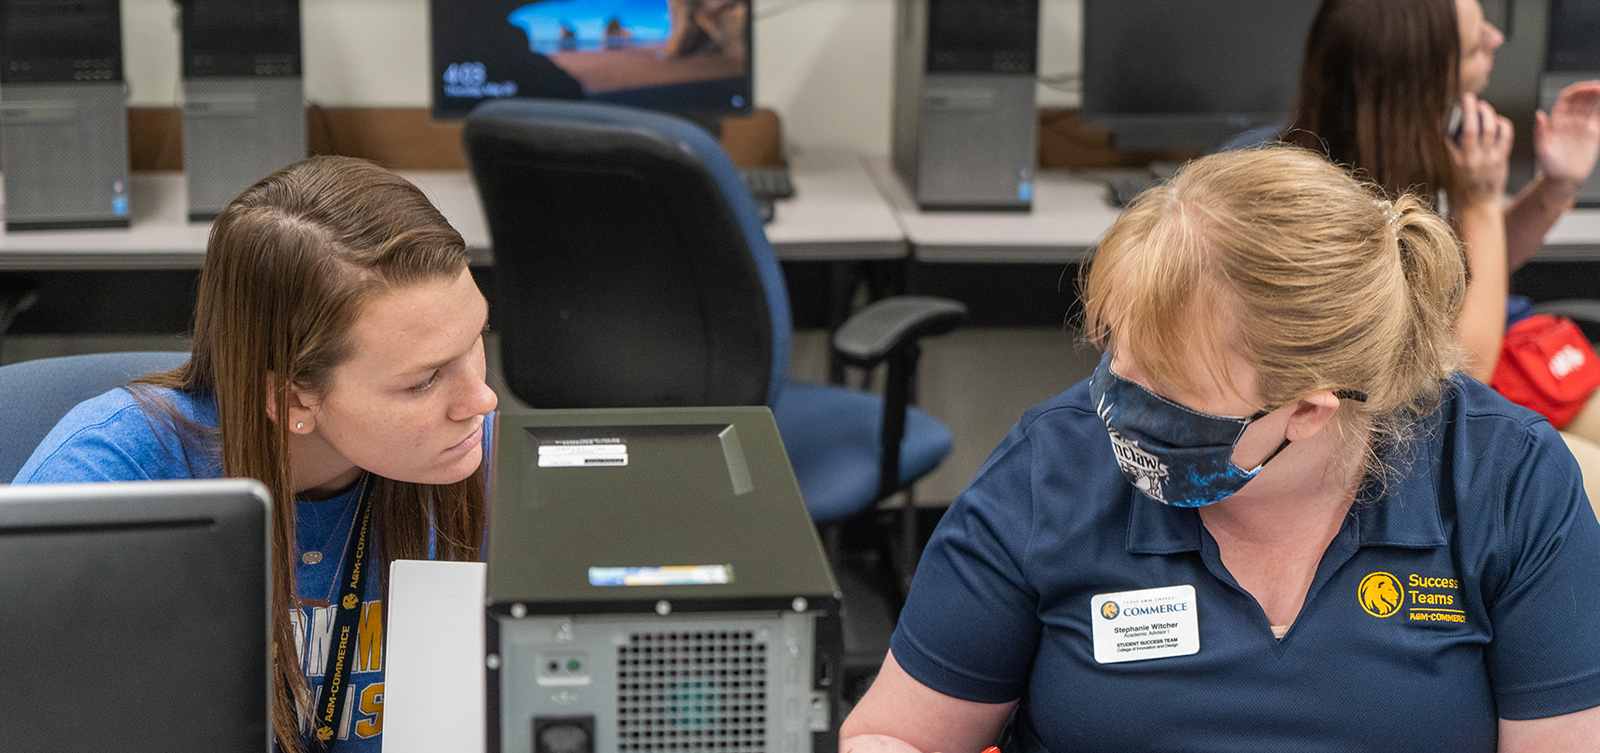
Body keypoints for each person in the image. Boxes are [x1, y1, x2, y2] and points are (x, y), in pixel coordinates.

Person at [839, 146, 1600, 751]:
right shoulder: (1055, 465)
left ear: (1306, 409)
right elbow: (889, 731)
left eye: (1164, 394)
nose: (1112, 409)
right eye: (1117, 358)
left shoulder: (1507, 479)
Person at [12, 156, 499, 753]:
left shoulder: (482, 461)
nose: (482, 398)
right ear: (292, 397)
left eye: (475, 339)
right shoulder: (106, 483)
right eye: (424, 380)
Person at [1288, 0, 1600, 443]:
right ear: (1422, 78)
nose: (1497, 39)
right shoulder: (1320, 202)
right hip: (1439, 417)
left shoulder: (1420, 141)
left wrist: (1556, 187)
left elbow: (1470, 270)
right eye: (1476, 46)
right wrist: (1480, 201)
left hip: (1509, 369)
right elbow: (1464, 372)